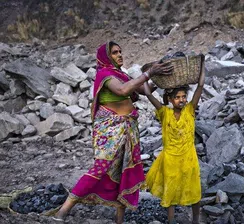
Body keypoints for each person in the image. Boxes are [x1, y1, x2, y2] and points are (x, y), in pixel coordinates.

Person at [53, 41, 173, 223]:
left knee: (122, 171)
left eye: (120, 51)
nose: (119, 55)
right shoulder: (105, 74)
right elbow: (124, 90)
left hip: (126, 129)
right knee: (100, 168)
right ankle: (62, 212)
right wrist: (148, 73)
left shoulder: (120, 74)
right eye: (115, 53)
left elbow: (142, 89)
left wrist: (159, 77)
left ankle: (119, 220)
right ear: (105, 57)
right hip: (110, 129)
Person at [143, 57, 205, 224]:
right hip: (170, 158)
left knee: (194, 188)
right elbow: (148, 93)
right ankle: (171, 221)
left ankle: (196, 221)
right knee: (170, 191)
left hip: (189, 157)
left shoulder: (190, 110)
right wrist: (148, 74)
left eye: (184, 96)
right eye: (177, 97)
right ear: (170, 99)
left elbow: (200, 85)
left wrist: (202, 64)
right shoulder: (164, 113)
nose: (182, 100)